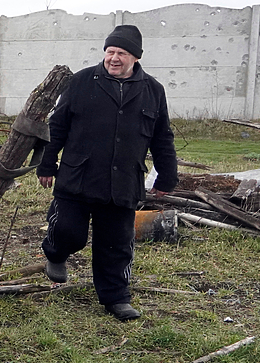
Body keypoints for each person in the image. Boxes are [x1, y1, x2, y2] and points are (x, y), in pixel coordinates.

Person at [36, 24, 178, 321]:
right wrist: (47, 164)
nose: (114, 58)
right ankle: (55, 252)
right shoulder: (82, 81)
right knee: (68, 232)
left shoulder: (153, 90)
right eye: (110, 51)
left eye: (121, 53)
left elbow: (162, 137)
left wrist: (167, 176)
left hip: (123, 181)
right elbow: (57, 126)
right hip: (78, 176)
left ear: (135, 58)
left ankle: (116, 297)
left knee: (116, 243)